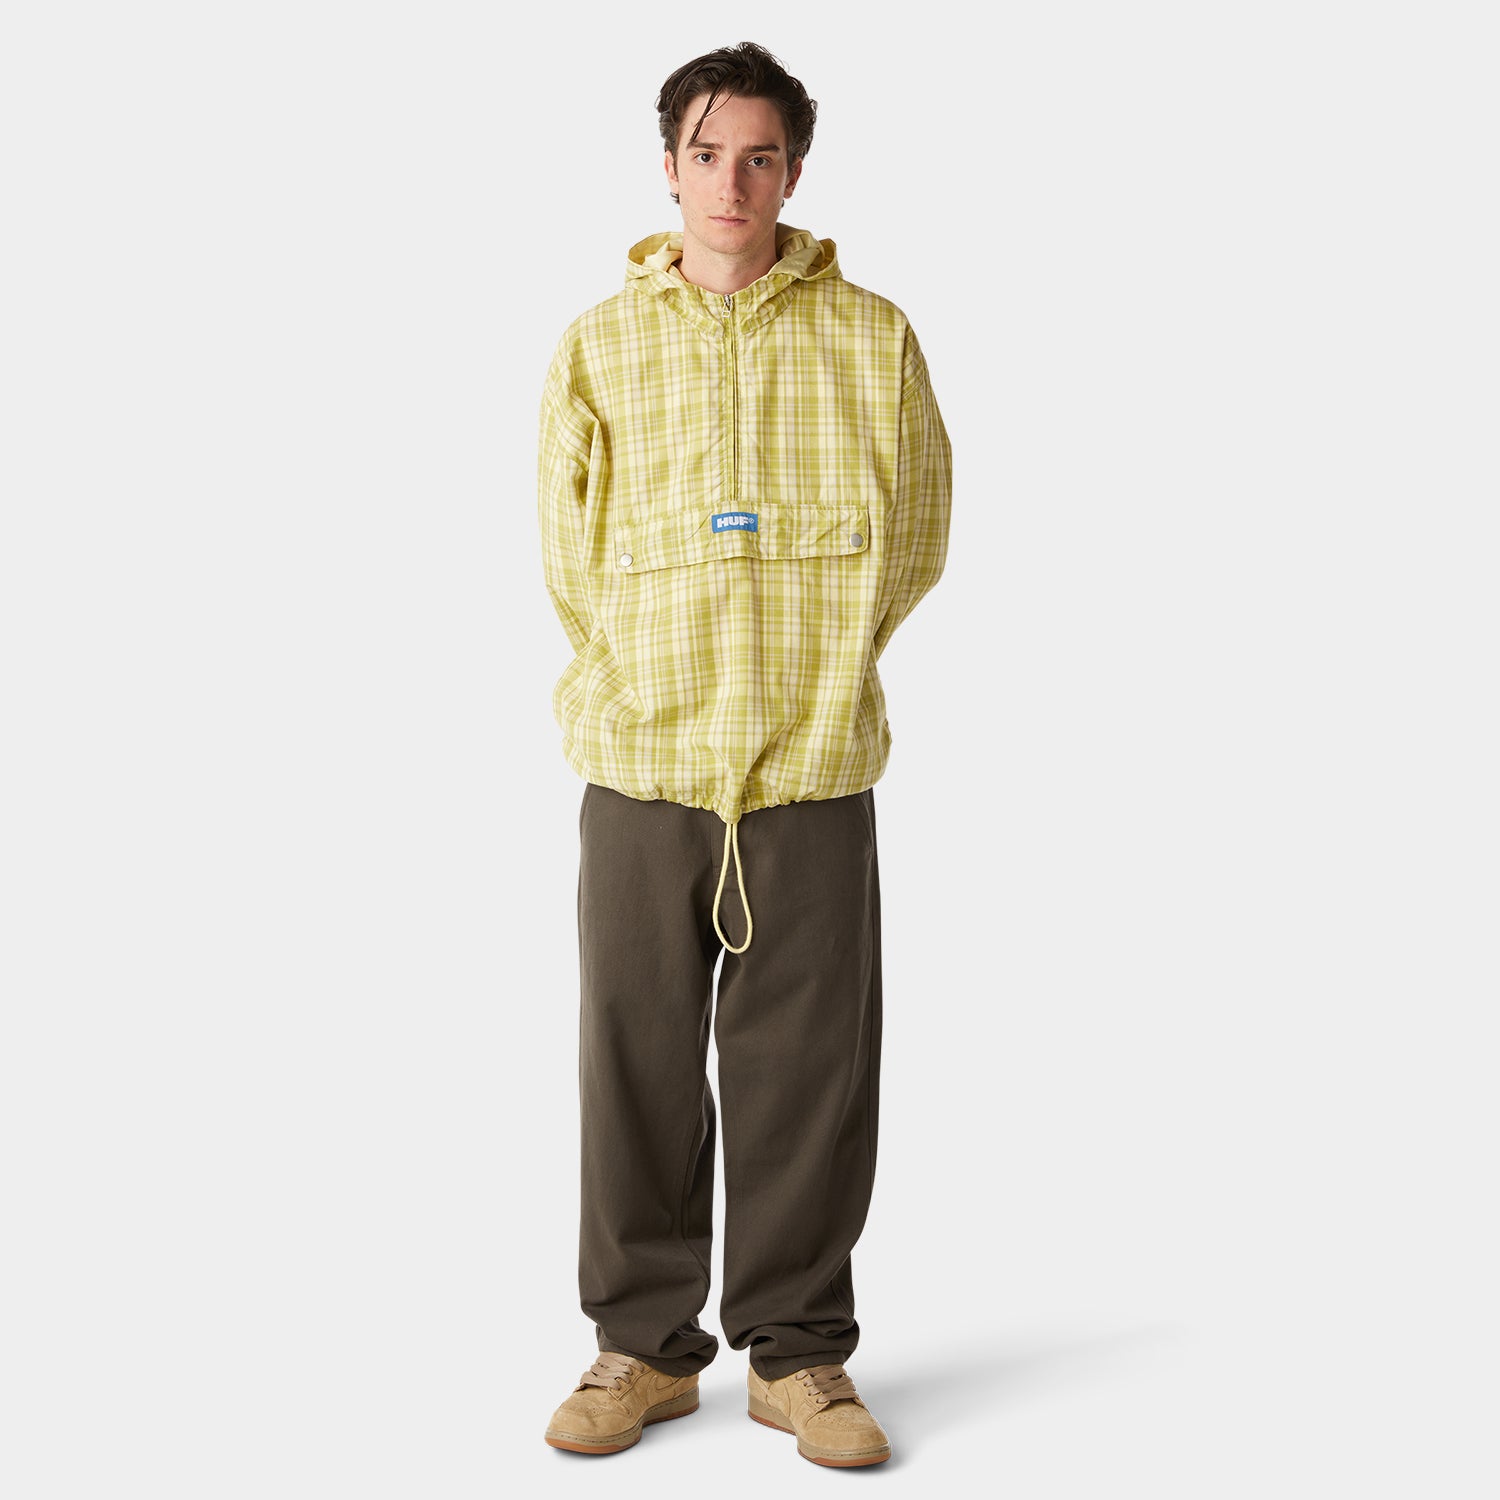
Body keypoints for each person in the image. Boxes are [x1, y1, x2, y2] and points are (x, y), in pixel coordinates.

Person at [536, 41, 951, 1468]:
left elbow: (917, 534)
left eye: (760, 157)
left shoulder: (873, 338)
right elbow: (569, 554)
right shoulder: (598, 344)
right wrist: (645, 679)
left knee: (809, 1075)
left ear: (795, 170)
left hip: (810, 762)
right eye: (707, 155)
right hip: (643, 762)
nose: (733, 183)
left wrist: (825, 667)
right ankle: (641, 1352)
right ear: (669, 167)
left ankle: (800, 1357)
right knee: (633, 1061)